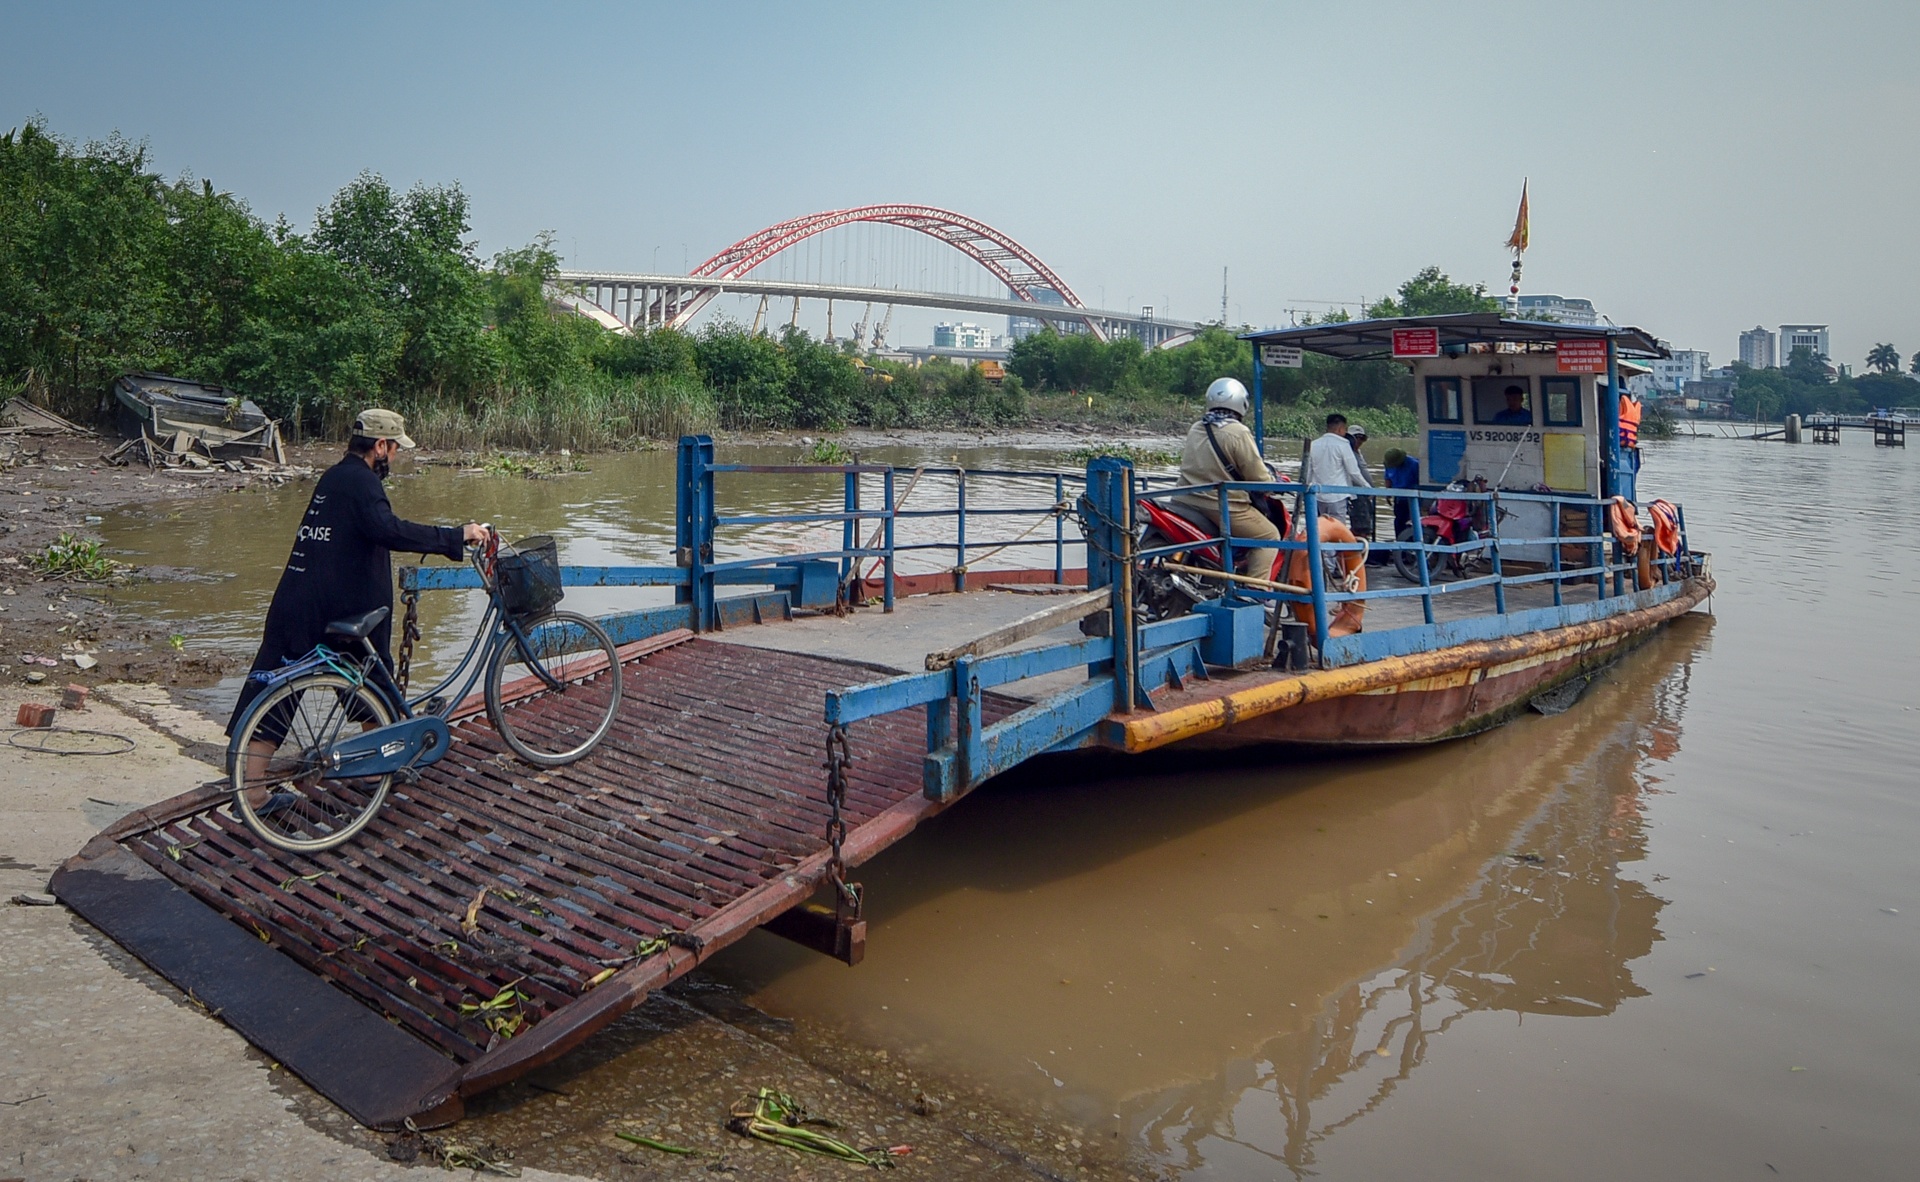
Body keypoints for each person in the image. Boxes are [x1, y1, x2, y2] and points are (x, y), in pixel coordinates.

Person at [228, 409, 488, 797]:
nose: (396, 457)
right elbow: (389, 530)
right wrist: (455, 536)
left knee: (279, 693)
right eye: (395, 448)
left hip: (294, 602)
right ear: (379, 446)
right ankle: (372, 770)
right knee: (371, 683)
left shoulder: (333, 477)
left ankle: (251, 790)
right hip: (334, 612)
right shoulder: (364, 484)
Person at [1174, 377, 1279, 572]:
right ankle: (1255, 592)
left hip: (1184, 499)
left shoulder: (1197, 427)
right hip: (1221, 506)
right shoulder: (1238, 432)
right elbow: (1258, 477)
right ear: (1241, 403)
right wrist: (1273, 483)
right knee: (1270, 536)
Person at [1304, 412, 1369, 525]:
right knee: (1338, 528)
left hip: (1319, 496)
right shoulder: (1343, 444)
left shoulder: (1314, 444)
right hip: (1338, 496)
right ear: (1340, 429)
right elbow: (1354, 472)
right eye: (1345, 430)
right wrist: (1367, 487)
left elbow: (1308, 473)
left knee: (1321, 528)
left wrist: (1306, 490)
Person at [1381, 447, 1421, 541]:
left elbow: (1421, 482)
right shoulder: (1389, 464)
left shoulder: (1414, 464)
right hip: (1399, 497)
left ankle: (1413, 544)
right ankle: (1399, 543)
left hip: (1412, 498)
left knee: (1412, 522)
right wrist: (1388, 493)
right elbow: (1387, 478)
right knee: (1399, 521)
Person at [1344, 423, 1376, 542]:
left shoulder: (1358, 453)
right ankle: (1354, 546)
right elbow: (1353, 474)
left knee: (1366, 524)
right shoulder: (1347, 453)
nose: (1359, 441)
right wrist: (1367, 488)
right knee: (1361, 526)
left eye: (1362, 438)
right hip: (1356, 493)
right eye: (1356, 438)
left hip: (1364, 493)